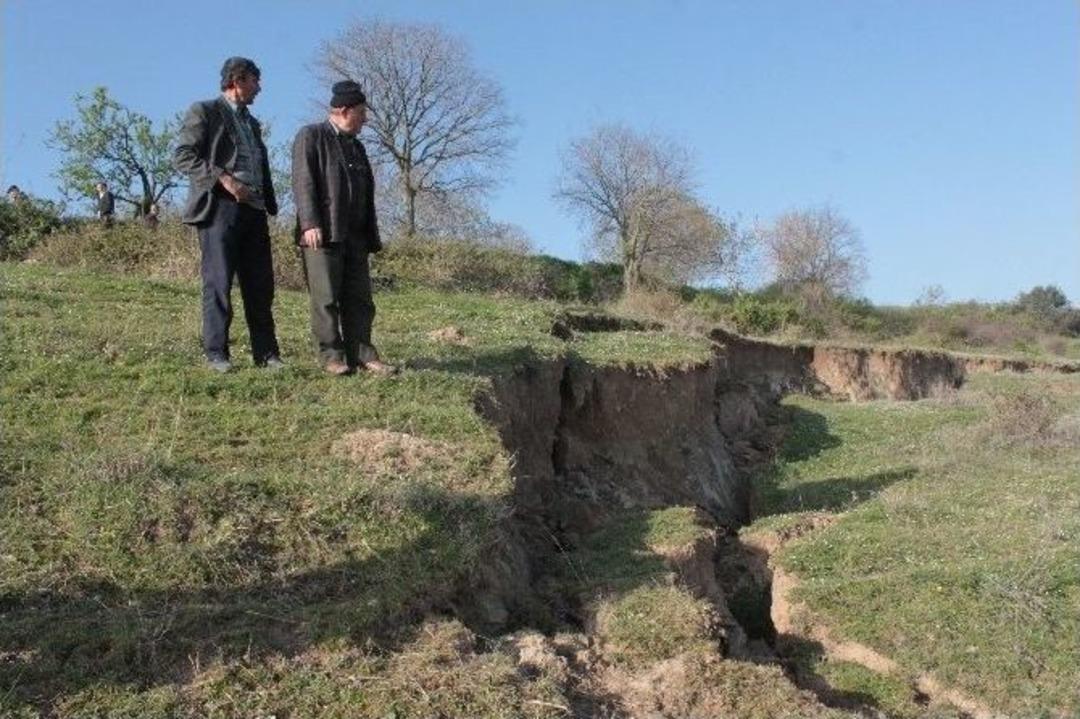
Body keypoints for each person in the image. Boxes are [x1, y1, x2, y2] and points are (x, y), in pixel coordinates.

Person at [173, 56, 283, 373]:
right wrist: (224, 179)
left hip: (255, 209)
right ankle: (217, 354)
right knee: (219, 282)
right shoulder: (205, 111)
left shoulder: (252, 122)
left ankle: (267, 354)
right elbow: (183, 156)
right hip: (220, 209)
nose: (259, 88)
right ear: (237, 80)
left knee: (260, 285)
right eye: (255, 81)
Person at [291, 80, 395, 376]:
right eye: (362, 112)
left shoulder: (357, 146)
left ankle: (363, 354)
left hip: (356, 235)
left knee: (360, 299)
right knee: (326, 298)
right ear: (345, 111)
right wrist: (310, 223)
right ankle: (331, 357)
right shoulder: (311, 136)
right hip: (322, 234)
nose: (365, 119)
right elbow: (303, 181)